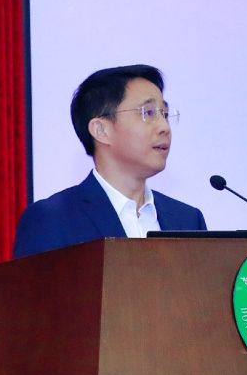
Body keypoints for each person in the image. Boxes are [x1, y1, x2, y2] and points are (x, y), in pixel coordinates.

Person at [12, 64, 208, 257]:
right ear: (101, 130)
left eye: (164, 114)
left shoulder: (188, 220)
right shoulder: (53, 219)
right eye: (148, 113)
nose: (164, 127)